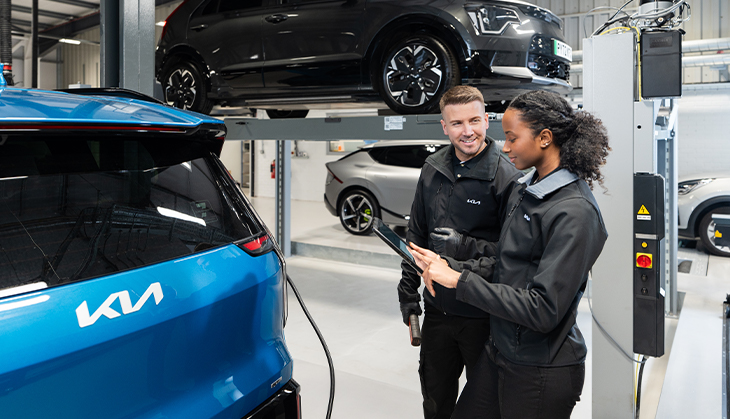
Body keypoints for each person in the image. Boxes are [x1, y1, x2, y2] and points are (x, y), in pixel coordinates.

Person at [410, 89, 610, 419]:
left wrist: (460, 280)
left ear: (544, 138)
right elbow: (505, 260)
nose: (504, 147)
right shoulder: (527, 190)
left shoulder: (575, 212)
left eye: (512, 138)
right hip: (501, 348)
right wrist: (449, 266)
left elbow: (543, 308)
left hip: (540, 368)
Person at [397, 85, 522, 419]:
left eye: (474, 121)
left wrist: (460, 248)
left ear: (486, 120)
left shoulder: (506, 176)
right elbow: (417, 236)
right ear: (444, 126)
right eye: (457, 124)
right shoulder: (433, 169)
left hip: (484, 315)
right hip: (438, 312)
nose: (467, 131)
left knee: (485, 407)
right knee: (435, 402)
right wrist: (408, 292)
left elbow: (512, 258)